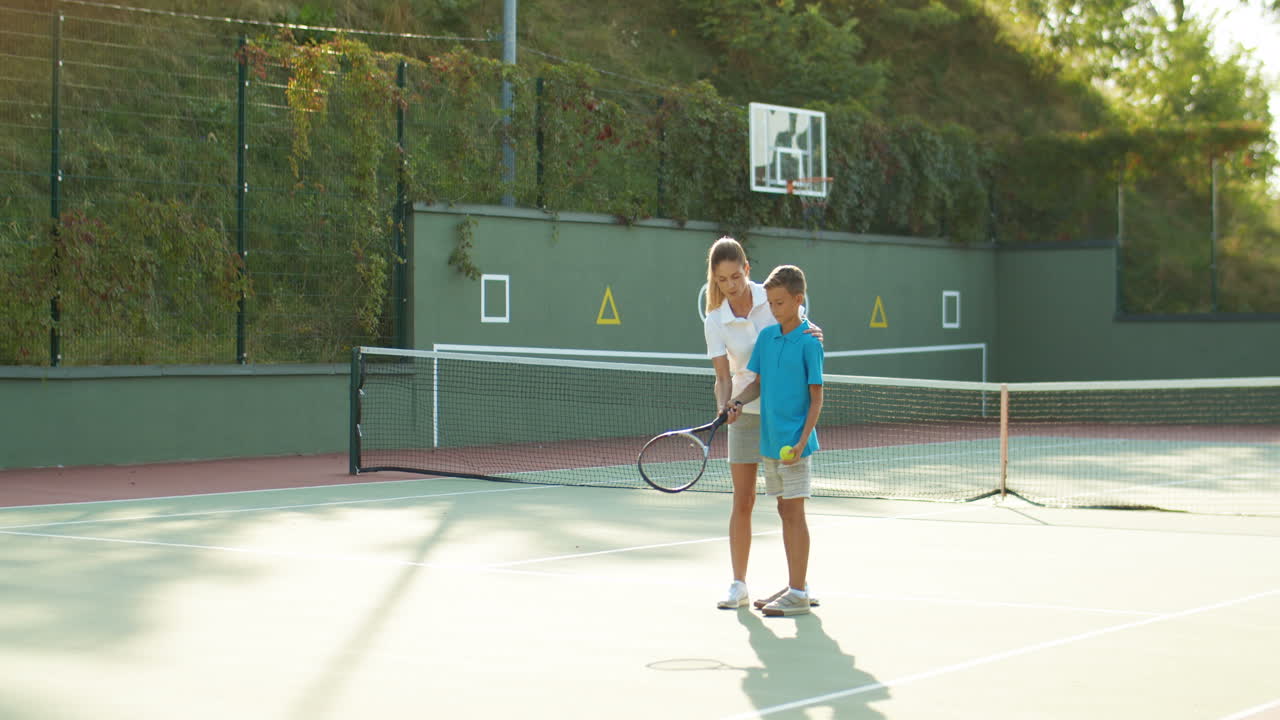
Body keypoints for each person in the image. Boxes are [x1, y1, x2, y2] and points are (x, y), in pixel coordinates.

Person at [702, 238, 821, 611]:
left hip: (783, 419)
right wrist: (726, 406)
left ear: (746, 270)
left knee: (790, 506)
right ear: (715, 280)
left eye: (736, 276)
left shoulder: (771, 297)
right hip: (745, 412)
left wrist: (814, 333)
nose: (731, 285)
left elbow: (800, 327)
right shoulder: (715, 319)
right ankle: (739, 585)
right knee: (743, 499)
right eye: (722, 280)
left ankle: (797, 587)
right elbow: (724, 376)